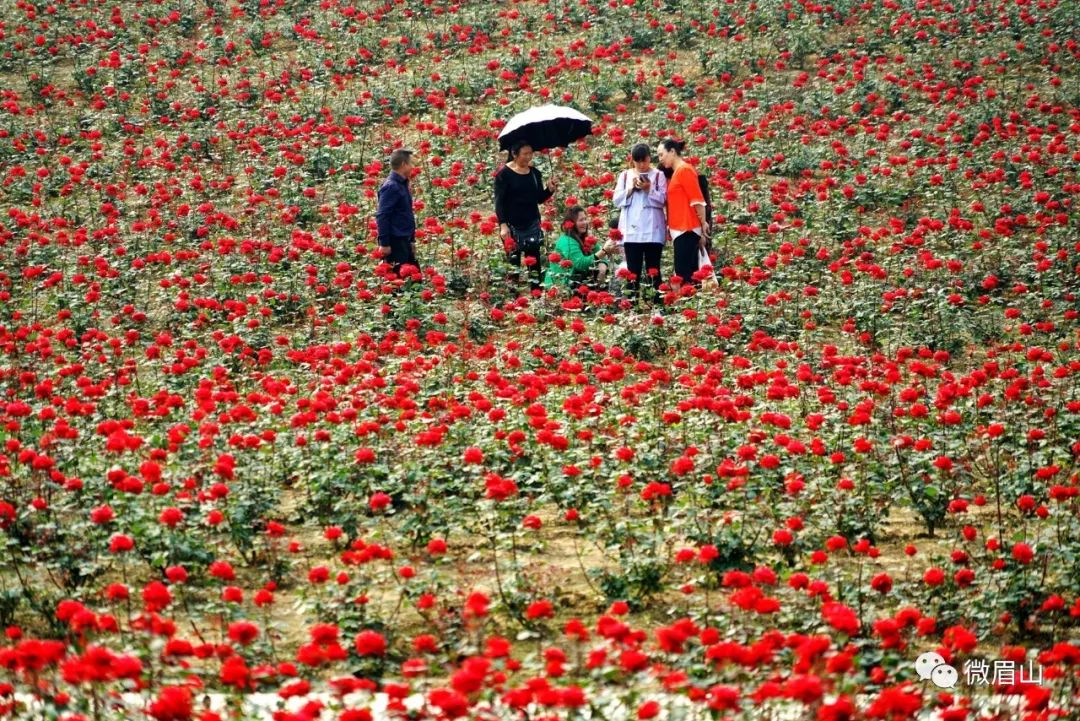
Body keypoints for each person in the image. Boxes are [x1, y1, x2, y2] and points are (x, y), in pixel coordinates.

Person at [494, 141, 556, 290]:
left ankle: (537, 295)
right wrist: (503, 225)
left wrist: (549, 190)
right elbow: (499, 202)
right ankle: (513, 297)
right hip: (511, 225)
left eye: (531, 153)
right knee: (513, 262)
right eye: (525, 154)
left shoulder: (534, 173)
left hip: (532, 223)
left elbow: (538, 198)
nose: (529, 157)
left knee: (534, 262)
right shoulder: (504, 175)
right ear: (514, 154)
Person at [612, 143, 667, 304]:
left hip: (653, 231)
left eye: (645, 161)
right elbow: (616, 200)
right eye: (638, 162)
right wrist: (630, 189)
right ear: (632, 161)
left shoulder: (658, 175)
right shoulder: (625, 175)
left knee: (654, 270)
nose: (642, 165)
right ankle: (632, 306)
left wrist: (649, 189)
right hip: (631, 232)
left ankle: (658, 305)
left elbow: (663, 200)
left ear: (650, 158)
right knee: (632, 272)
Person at [656, 139, 709, 289]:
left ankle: (686, 307)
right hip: (681, 229)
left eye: (662, 155)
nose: (660, 159)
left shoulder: (684, 170)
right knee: (687, 274)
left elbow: (698, 201)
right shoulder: (677, 172)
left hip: (687, 228)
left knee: (683, 274)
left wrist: (703, 224)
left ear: (672, 151)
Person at [544, 206, 618, 292]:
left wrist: (602, 266)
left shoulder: (586, 237)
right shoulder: (566, 241)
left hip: (581, 280)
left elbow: (599, 253)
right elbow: (580, 264)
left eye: (585, 219)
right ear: (572, 224)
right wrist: (604, 251)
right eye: (581, 220)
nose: (585, 223)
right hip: (563, 285)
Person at [375, 148, 419, 277]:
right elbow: (382, 216)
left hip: (404, 241)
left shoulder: (402, 184)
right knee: (398, 283)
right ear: (403, 165)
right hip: (395, 242)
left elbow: (406, 215)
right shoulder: (391, 186)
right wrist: (384, 244)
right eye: (411, 164)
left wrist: (411, 240)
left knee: (413, 280)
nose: (412, 167)